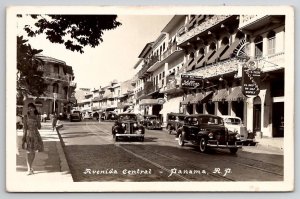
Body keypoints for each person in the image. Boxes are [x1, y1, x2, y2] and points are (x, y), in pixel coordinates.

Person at [22, 103, 44, 175]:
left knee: (33, 152)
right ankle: (29, 169)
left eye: (31, 108)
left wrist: (38, 120)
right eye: (29, 108)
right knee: (28, 152)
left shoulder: (37, 117)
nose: (30, 109)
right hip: (28, 135)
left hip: (35, 135)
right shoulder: (25, 117)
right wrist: (23, 139)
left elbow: (39, 127)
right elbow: (24, 128)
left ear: (34, 109)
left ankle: (30, 167)